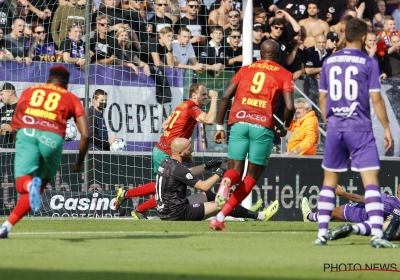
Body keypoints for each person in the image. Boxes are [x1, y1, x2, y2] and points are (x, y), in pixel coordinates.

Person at [314, 18, 397, 248]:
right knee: (370, 182)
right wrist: (387, 129)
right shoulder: (368, 63)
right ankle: (378, 237)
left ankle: (321, 234)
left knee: (329, 182)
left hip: (336, 128)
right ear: (363, 38)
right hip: (360, 128)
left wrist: (327, 120)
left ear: (344, 35)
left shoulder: (329, 61)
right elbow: (376, 99)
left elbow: (322, 97)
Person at [210, 40, 295, 231]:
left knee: (235, 172)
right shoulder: (284, 73)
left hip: (239, 123)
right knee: (250, 177)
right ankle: (220, 217)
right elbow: (290, 106)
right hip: (262, 126)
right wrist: (285, 127)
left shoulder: (246, 69)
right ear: (277, 55)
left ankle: (227, 181)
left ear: (260, 54)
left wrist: (219, 125)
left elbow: (226, 95)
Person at [0, 66, 89, 238]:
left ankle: (27, 185)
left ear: (49, 78)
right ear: (66, 82)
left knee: (22, 183)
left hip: (28, 133)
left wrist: (18, 140)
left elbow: (16, 120)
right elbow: (85, 133)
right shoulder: (71, 98)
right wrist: (79, 162)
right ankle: (5, 227)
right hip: (52, 138)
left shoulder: (30, 91)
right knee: (39, 185)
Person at [115, 83, 218, 218]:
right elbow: (209, 120)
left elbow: (165, 125)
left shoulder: (182, 106)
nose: (206, 97)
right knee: (165, 189)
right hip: (166, 152)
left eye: (207, 94)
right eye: (203, 94)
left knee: (163, 187)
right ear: (194, 95)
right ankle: (134, 204)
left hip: (161, 150)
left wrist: (178, 136)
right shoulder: (191, 107)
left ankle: (134, 203)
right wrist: (215, 98)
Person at [155, 138, 278, 222]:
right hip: (177, 214)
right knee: (221, 204)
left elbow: (187, 173)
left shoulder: (167, 162)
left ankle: (245, 213)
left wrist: (208, 165)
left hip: (166, 210)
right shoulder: (178, 169)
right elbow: (204, 185)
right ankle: (260, 216)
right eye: (189, 149)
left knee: (209, 196)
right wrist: (221, 172)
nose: (192, 150)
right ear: (181, 153)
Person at [301, 184, 400, 241]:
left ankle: (309, 216)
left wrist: (342, 193)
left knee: (333, 213)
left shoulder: (388, 200)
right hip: (368, 217)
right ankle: (309, 216)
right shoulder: (390, 201)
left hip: (360, 213)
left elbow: (360, 199)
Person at [0, 83, 18, 149]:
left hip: (16, 150)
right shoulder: (2, 109)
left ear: (10, 92)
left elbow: (29, 130)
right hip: (2, 150)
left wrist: (12, 129)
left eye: (1, 94)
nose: (0, 97)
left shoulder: (22, 107)